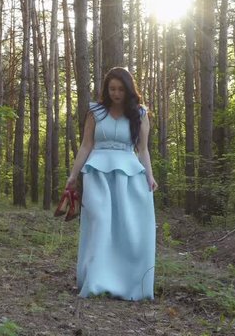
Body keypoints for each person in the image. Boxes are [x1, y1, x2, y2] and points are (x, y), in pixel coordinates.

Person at [65, 67, 157, 300]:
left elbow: (143, 149)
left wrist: (150, 175)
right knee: (100, 222)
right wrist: (73, 176)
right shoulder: (95, 112)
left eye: (120, 89)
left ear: (128, 90)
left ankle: (126, 282)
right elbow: (86, 146)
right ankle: (95, 280)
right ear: (106, 90)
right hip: (97, 173)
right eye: (112, 89)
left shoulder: (140, 113)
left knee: (127, 228)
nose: (116, 93)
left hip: (129, 174)